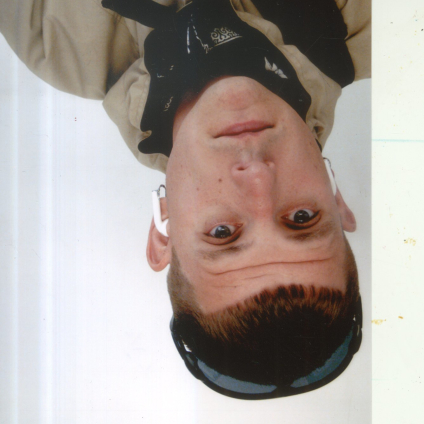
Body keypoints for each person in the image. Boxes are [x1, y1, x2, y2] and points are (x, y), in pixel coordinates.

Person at [0, 0, 370, 397]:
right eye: (302, 218)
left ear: (164, 230)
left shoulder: (50, 38)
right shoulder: (381, 23)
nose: (257, 175)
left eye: (222, 232)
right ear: (336, 198)